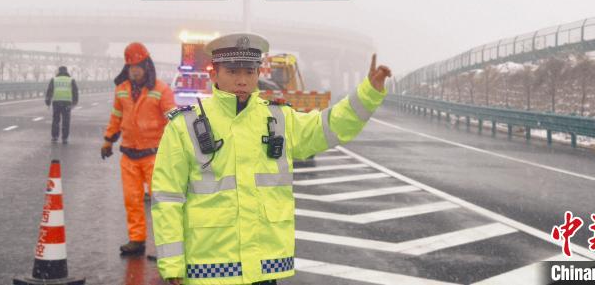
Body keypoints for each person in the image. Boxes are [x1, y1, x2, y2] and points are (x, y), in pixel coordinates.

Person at [151, 33, 392, 285]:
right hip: (208, 272)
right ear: (214, 74)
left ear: (258, 74)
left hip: (263, 271)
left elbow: (328, 127)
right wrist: (172, 264)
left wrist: (368, 94)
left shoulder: (278, 120)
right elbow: (167, 198)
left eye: (249, 71)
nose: (242, 80)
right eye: (233, 72)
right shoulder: (185, 125)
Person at [101, 42, 176, 255]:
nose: (134, 70)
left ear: (146, 66)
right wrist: (108, 139)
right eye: (131, 66)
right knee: (132, 200)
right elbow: (116, 116)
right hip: (129, 155)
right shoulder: (122, 90)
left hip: (155, 155)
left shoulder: (161, 90)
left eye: (138, 66)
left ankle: (166, 246)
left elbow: (173, 118)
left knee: (162, 203)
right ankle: (136, 240)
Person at [45, 66, 78, 144]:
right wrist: (75, 102)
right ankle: (65, 138)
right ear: (67, 71)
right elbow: (75, 91)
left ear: (59, 71)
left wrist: (48, 101)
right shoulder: (71, 80)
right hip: (67, 102)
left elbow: (49, 91)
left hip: (56, 102)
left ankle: (54, 137)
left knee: (56, 120)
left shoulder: (54, 79)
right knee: (66, 121)